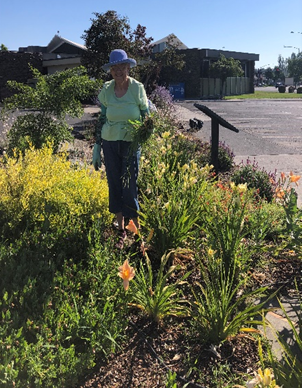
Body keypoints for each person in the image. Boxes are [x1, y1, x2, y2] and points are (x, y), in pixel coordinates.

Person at [92, 49, 149, 249]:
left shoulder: (137, 88)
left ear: (128, 68)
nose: (118, 71)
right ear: (110, 70)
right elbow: (102, 118)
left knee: (130, 184)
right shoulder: (107, 90)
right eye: (114, 68)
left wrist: (146, 133)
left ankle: (136, 229)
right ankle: (121, 226)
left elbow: (145, 114)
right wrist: (97, 145)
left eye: (121, 67)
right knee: (114, 182)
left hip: (131, 142)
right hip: (109, 142)